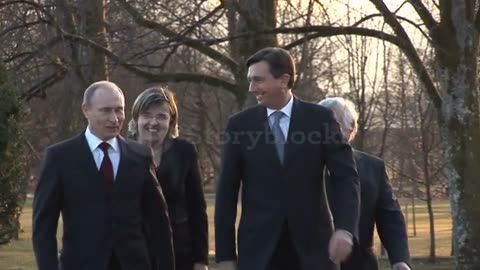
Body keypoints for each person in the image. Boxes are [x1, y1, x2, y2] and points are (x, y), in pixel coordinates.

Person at [214, 47, 361, 270]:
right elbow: (226, 192)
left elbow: (346, 177)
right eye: (250, 81)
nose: (252, 88)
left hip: (314, 251)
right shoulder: (239, 125)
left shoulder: (320, 119)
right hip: (258, 254)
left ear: (284, 80)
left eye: (258, 80)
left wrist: (345, 228)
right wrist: (225, 256)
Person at [32, 81, 175, 270]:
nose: (115, 119)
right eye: (106, 110)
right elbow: (43, 228)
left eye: (119, 110)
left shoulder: (140, 155)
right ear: (86, 110)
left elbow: (159, 223)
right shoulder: (60, 158)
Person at [318, 97, 411, 270]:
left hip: (359, 263)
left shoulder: (373, 167)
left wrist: (400, 259)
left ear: (350, 129)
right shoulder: (299, 166)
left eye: (333, 125)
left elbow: (389, 216)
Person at [128, 87, 209, 270]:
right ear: (136, 118)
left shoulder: (184, 152)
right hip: (135, 254)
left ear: (171, 120)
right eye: (147, 115)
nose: (153, 122)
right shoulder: (122, 152)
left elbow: (197, 208)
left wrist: (200, 260)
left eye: (161, 116)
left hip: (179, 253)